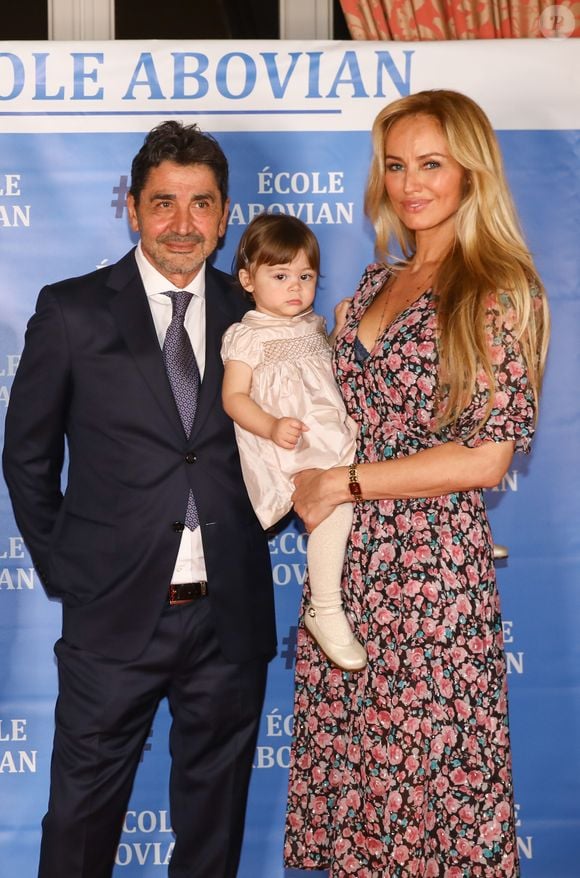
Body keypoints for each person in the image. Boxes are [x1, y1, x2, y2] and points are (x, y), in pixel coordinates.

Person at [284, 89, 549, 877]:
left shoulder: (499, 287)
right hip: (350, 570)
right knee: (362, 798)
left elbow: (486, 458)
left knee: (434, 801)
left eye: (431, 164)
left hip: (431, 580)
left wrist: (344, 483)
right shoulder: (370, 285)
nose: (410, 183)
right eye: (396, 165)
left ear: (472, 172)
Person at [2, 120, 276, 878]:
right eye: (164, 203)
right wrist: (71, 572)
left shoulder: (262, 317)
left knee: (212, 831)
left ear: (226, 216)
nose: (182, 224)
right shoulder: (73, 311)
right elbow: (26, 456)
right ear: (132, 208)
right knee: (81, 824)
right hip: (111, 618)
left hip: (230, 618)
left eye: (201, 204)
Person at [221, 213, 366, 671]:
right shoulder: (247, 335)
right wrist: (270, 426)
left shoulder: (310, 325)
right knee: (334, 506)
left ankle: (448, 535)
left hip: (331, 433)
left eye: (305, 276)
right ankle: (325, 607)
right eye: (280, 276)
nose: (295, 287)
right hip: (292, 446)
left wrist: (341, 328)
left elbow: (328, 373)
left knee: (384, 475)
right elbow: (233, 398)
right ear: (248, 280)